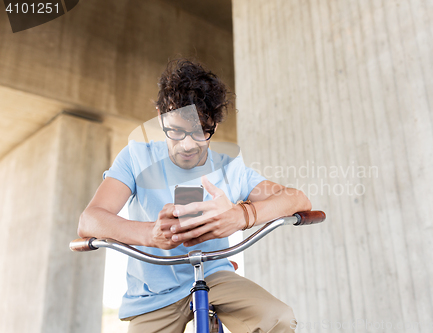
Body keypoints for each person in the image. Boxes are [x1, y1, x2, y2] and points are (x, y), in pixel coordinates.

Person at [78, 59, 312, 333]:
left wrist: (242, 216)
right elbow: (89, 221)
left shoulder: (229, 167)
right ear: (160, 115)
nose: (188, 145)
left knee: (278, 319)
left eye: (201, 131)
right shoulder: (135, 157)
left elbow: (298, 200)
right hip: (153, 293)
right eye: (175, 131)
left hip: (215, 277)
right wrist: (149, 234)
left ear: (215, 124)